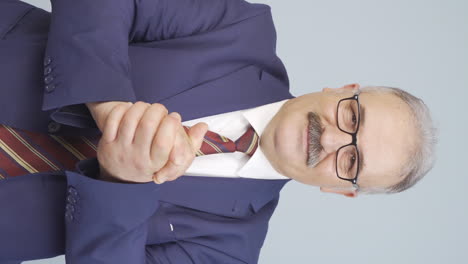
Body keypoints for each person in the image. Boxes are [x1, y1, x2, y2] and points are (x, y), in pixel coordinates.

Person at [0, 0, 437, 263]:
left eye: (352, 160)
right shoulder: (238, 28)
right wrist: (107, 102)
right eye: (353, 119)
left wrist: (122, 184)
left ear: (342, 191)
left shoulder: (229, 250)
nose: (330, 140)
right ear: (342, 89)